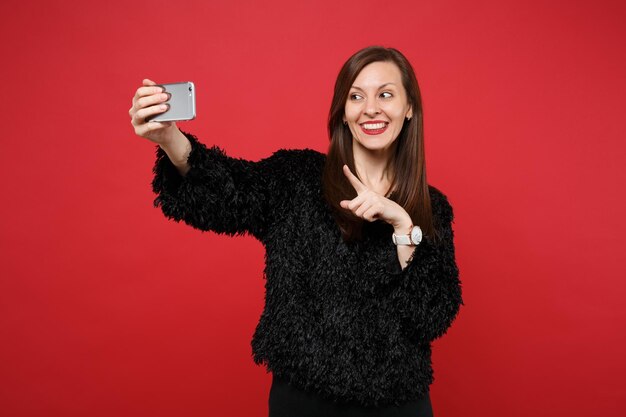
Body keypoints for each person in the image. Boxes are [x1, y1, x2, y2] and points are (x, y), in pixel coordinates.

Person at [129, 45, 463, 417]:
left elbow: (432, 316)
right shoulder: (296, 178)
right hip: (304, 402)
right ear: (343, 112)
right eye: (356, 96)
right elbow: (227, 194)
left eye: (385, 94)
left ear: (409, 108)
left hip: (399, 404)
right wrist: (170, 138)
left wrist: (403, 225)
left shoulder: (431, 208)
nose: (371, 107)